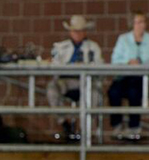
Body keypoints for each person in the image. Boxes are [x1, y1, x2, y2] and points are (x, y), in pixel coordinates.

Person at [47, 15, 104, 140]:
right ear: (70, 32)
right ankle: (64, 123)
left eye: (80, 30)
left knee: (92, 93)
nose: (77, 34)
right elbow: (54, 64)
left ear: (85, 31)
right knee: (52, 88)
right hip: (66, 81)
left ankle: (84, 130)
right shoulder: (61, 46)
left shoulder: (93, 47)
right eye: (75, 31)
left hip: (86, 81)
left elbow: (99, 66)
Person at [107, 11, 149, 140]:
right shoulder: (123, 39)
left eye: (143, 22)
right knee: (113, 92)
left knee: (134, 92)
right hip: (124, 76)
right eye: (138, 22)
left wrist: (142, 63)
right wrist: (127, 62)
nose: (141, 25)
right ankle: (117, 125)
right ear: (132, 24)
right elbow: (115, 60)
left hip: (142, 78)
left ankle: (134, 127)